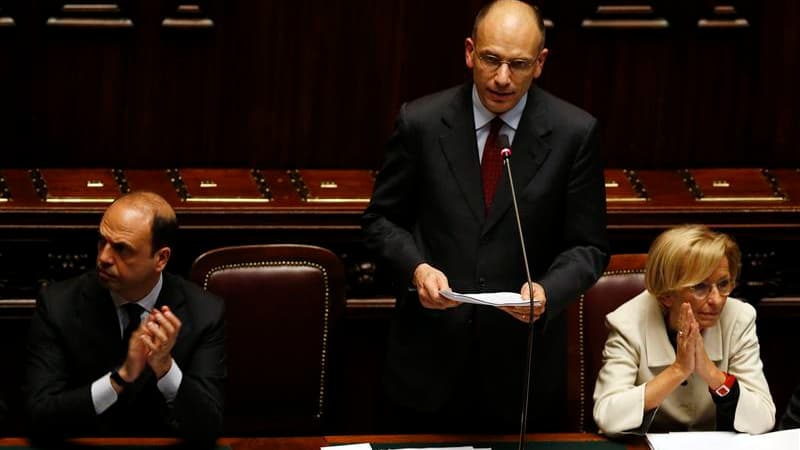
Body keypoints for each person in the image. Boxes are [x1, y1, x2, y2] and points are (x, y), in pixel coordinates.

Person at [362, 0, 608, 433]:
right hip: (426, 368)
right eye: (491, 59)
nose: (502, 78)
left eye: (518, 64)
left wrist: (547, 291)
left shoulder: (574, 133)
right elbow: (382, 221)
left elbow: (588, 246)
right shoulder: (420, 122)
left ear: (541, 63)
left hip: (522, 374)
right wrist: (417, 269)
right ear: (470, 52)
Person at [24, 191, 226, 446]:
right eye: (102, 242)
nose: (104, 258)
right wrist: (120, 378)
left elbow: (208, 427)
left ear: (161, 258)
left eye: (121, 249)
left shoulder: (205, 312)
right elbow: (38, 417)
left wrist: (165, 367)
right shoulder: (58, 304)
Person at [593, 225, 775, 435]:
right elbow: (608, 417)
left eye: (723, 284)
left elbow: (763, 419)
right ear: (665, 295)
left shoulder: (738, 318)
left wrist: (713, 375)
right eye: (700, 287)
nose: (716, 300)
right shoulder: (628, 322)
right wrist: (678, 370)